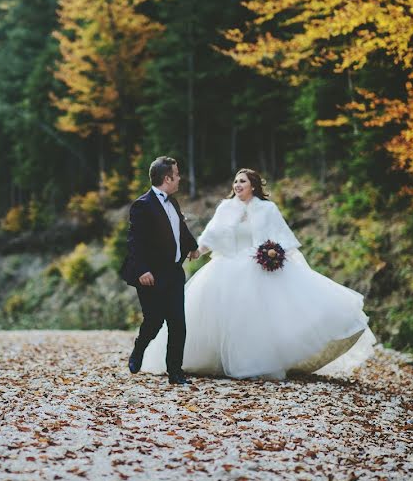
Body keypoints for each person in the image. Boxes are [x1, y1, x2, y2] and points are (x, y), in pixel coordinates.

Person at [141, 168, 375, 379]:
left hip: (259, 269)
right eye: (235, 181)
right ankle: (206, 361)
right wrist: (195, 252)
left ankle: (255, 363)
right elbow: (211, 236)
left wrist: (276, 253)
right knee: (220, 318)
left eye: (242, 181)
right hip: (226, 268)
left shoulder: (267, 209)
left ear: (253, 185)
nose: (237, 185)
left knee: (259, 320)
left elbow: (284, 240)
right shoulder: (226, 207)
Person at [119, 156, 199, 385]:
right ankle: (139, 348)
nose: (180, 178)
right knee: (154, 321)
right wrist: (142, 270)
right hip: (151, 276)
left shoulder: (173, 203)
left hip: (174, 273)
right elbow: (135, 242)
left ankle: (175, 372)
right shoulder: (142, 205)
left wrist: (192, 247)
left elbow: (180, 230)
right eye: (177, 174)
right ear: (167, 178)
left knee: (178, 324)